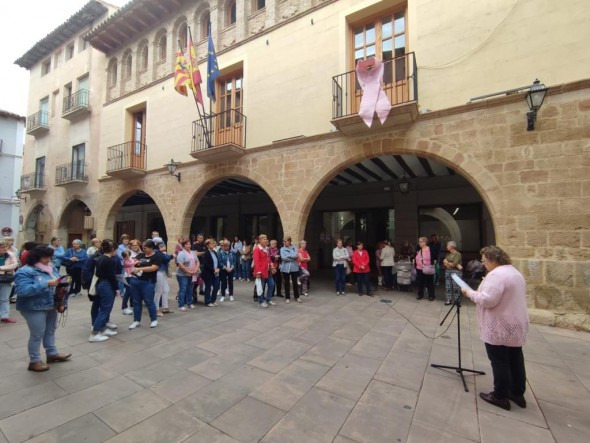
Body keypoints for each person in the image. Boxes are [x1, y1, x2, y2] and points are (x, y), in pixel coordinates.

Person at [462, 246, 529, 411]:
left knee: (499, 360)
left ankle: (500, 395)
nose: (484, 264)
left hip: (500, 324)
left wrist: (468, 293)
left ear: (494, 259)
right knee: (515, 359)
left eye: (485, 261)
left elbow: (488, 300)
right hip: (515, 322)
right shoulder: (514, 272)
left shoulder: (497, 275)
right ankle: (517, 393)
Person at [14, 245, 72, 372]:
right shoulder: (25, 271)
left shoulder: (51, 269)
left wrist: (61, 302)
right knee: (37, 334)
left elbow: (60, 287)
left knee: (50, 331)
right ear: (36, 258)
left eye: (50, 257)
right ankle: (34, 361)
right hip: (34, 307)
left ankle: (52, 354)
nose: (49, 260)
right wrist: (46, 283)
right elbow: (22, 290)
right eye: (45, 258)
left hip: (51, 305)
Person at [89, 240, 119, 342]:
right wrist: (116, 288)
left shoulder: (100, 257)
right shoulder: (110, 260)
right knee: (105, 309)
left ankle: (102, 329)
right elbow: (112, 276)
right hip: (106, 285)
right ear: (113, 249)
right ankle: (95, 333)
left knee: (103, 307)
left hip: (101, 283)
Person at [128, 239, 161, 330]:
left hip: (148, 282)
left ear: (151, 248)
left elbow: (154, 268)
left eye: (145, 248)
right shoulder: (140, 255)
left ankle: (153, 319)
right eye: (143, 248)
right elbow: (134, 263)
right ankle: (136, 320)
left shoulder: (156, 257)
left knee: (148, 300)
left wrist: (140, 269)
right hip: (135, 281)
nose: (144, 249)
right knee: (136, 301)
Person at [253, 234, 276, 308]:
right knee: (261, 287)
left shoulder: (267, 248)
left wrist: (271, 264)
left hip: (268, 270)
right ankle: (260, 301)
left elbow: (268, 259)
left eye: (266, 239)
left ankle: (268, 299)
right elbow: (256, 262)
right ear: (260, 240)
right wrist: (258, 272)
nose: (266, 240)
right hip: (261, 271)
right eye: (264, 239)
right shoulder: (257, 249)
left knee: (271, 284)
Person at [176, 239, 198, 311]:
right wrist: (189, 271)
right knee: (183, 289)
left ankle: (189, 303)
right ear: (183, 246)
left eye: (189, 244)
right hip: (182, 275)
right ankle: (181, 305)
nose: (188, 245)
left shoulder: (193, 253)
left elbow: (197, 262)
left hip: (192, 274)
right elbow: (180, 265)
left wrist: (195, 270)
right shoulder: (181, 253)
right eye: (187, 244)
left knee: (190, 288)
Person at [153, 237, 173, 316]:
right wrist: (172, 256)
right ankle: (156, 309)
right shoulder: (156, 252)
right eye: (160, 243)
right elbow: (166, 258)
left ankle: (165, 307)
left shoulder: (158, 251)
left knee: (166, 289)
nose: (162, 245)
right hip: (158, 272)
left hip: (163, 271)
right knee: (158, 291)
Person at [0, 240, 18, 323]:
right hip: (6, 275)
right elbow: (10, 267)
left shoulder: (11, 255)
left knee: (5, 298)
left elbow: (14, 265)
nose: (4, 249)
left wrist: (1, 268)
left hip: (7, 279)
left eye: (5, 247)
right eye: (2, 247)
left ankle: (5, 316)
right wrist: (7, 268)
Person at [280, 236, 300, 304]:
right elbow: (283, 258)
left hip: (294, 267)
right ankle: (287, 297)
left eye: (285, 241)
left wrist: (288, 256)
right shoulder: (282, 249)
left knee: (295, 283)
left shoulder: (294, 248)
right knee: (287, 283)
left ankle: (297, 296)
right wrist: (292, 258)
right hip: (286, 268)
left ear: (289, 241)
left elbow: (296, 255)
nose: (284, 242)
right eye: (283, 241)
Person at [415, 236, 435, 301]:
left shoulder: (430, 249)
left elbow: (434, 257)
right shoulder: (419, 249)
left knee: (429, 282)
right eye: (419, 242)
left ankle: (431, 296)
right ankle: (420, 295)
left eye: (420, 242)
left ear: (425, 242)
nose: (419, 243)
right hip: (419, 268)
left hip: (427, 268)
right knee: (420, 282)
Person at [443, 240, 463, 305]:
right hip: (448, 271)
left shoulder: (458, 254)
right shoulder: (448, 254)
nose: (446, 247)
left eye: (447, 245)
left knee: (456, 286)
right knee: (448, 286)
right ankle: (448, 300)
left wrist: (448, 262)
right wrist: (451, 264)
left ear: (451, 246)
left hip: (456, 272)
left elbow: (454, 264)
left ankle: (457, 301)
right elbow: (444, 263)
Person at [202, 239, 220, 307]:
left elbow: (217, 261)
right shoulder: (206, 253)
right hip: (208, 273)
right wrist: (213, 270)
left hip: (216, 273)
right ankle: (208, 301)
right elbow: (207, 264)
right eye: (211, 244)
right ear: (207, 245)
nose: (213, 245)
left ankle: (213, 300)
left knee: (216, 286)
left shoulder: (214, 252)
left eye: (213, 243)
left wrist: (218, 268)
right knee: (208, 287)